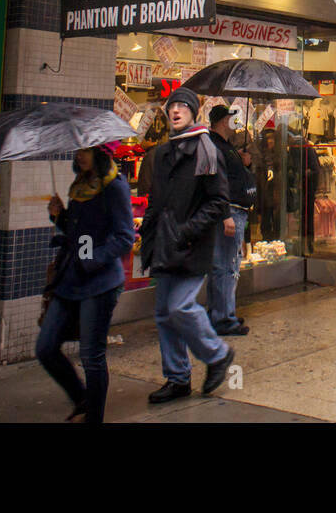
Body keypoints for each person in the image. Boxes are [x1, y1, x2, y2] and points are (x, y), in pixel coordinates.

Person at [137, 87, 237, 402]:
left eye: (183, 106)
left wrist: (187, 230)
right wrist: (148, 233)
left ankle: (218, 354)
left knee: (180, 306)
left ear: (194, 113)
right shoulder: (164, 153)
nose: (176, 111)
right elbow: (157, 199)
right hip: (164, 243)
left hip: (191, 245)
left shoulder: (206, 150)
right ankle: (178, 377)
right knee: (164, 315)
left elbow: (218, 200)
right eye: (172, 107)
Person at [37, 144, 136, 423]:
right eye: (78, 151)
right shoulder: (80, 184)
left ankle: (93, 417)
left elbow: (125, 237)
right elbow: (77, 233)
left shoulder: (114, 187)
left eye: (88, 151)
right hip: (70, 279)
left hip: (100, 282)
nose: (80, 156)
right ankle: (82, 399)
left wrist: (91, 259)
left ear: (101, 154)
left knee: (91, 356)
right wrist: (60, 216)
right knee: (45, 347)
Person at [205, 104, 257, 337]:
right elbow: (216, 182)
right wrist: (226, 214)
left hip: (235, 212)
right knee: (225, 266)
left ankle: (223, 312)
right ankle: (223, 319)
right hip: (229, 213)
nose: (234, 123)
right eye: (231, 118)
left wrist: (245, 164)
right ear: (223, 121)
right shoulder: (214, 145)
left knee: (228, 264)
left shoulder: (226, 146)